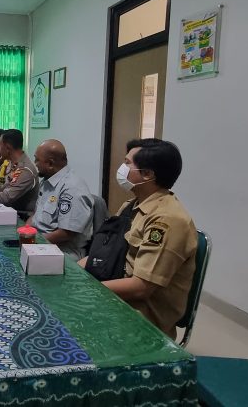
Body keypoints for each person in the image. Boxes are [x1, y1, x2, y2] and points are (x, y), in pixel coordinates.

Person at [78, 138, 197, 338]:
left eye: (127, 163)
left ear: (148, 174)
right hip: (113, 296)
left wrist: (85, 291)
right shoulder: (131, 206)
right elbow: (106, 254)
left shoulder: (167, 220)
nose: (122, 168)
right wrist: (69, 271)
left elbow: (141, 288)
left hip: (139, 322)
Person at [28, 139, 94, 261]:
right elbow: (35, 215)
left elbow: (66, 234)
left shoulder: (72, 188)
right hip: (40, 242)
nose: (35, 163)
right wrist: (24, 232)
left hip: (62, 251)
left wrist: (31, 241)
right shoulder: (48, 180)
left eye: (37, 159)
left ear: (50, 164)